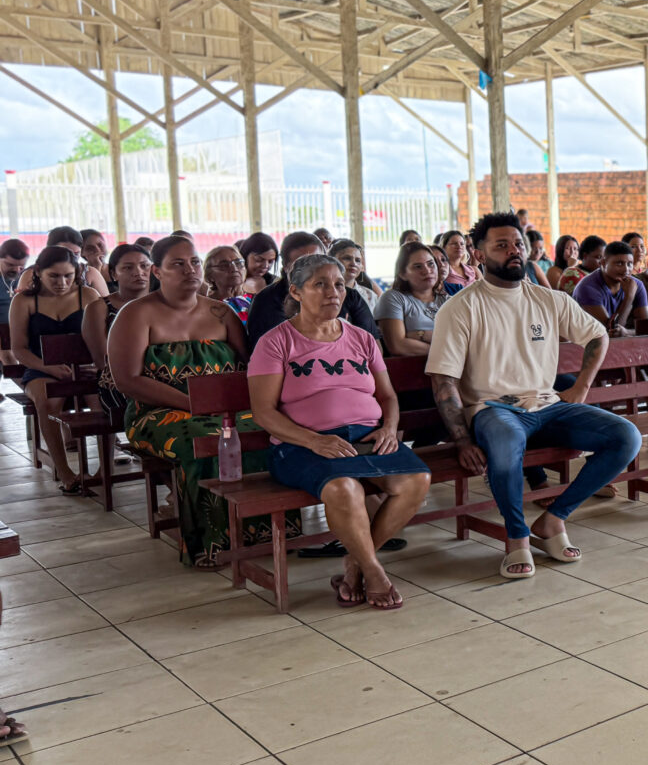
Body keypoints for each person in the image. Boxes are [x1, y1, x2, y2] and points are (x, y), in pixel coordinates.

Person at [426, 213, 641, 578]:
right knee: (507, 441)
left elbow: (597, 335)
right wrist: (462, 440)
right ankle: (516, 538)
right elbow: (444, 381)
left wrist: (581, 386)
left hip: (548, 405)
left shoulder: (548, 299)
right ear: (478, 255)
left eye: (518, 244)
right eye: (502, 245)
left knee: (626, 437)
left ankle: (553, 519)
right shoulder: (460, 308)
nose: (514, 251)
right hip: (493, 410)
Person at [248, 254, 430, 610]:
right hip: (300, 444)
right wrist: (315, 440)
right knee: (345, 488)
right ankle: (374, 572)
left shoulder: (362, 338)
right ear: (296, 292)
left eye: (338, 284)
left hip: (365, 437)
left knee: (416, 480)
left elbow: (388, 397)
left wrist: (389, 428)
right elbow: (263, 412)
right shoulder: (276, 342)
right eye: (320, 284)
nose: (333, 292)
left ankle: (356, 564)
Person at [111, 236, 298, 568]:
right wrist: (193, 403)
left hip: (225, 409)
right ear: (157, 271)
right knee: (205, 439)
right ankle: (211, 543)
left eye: (194, 262)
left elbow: (249, 367)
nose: (190, 270)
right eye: (178, 264)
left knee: (270, 429)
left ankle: (271, 532)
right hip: (157, 413)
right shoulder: (135, 314)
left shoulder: (221, 312)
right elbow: (128, 380)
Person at [9, 246, 96, 493]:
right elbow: (19, 349)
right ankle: (65, 471)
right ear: (38, 272)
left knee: (103, 400)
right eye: (54, 276)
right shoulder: (24, 301)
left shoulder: (88, 295)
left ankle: (105, 468)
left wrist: (95, 364)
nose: (62, 282)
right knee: (48, 401)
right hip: (40, 367)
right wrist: (50, 368)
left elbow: (102, 339)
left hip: (84, 367)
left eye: (68, 275)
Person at [246, 232, 380, 353]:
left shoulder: (349, 296)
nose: (313, 269)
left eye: (318, 261)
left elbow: (373, 348)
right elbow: (267, 353)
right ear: (286, 267)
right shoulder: (266, 301)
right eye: (301, 264)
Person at [84, 243, 153, 423]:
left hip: (161, 376)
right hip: (118, 380)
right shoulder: (99, 308)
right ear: (114, 274)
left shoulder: (163, 304)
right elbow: (102, 360)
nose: (138, 272)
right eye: (128, 268)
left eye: (144, 266)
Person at [376, 242, 448, 356]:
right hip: (411, 366)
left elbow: (461, 341)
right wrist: (446, 351)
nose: (427, 271)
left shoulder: (448, 300)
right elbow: (398, 346)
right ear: (402, 274)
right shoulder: (393, 298)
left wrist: (422, 334)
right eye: (418, 266)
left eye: (431, 264)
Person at [574, 241, 648, 337]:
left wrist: (627, 332)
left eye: (630, 264)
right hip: (587, 342)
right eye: (620, 263)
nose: (626, 269)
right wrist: (629, 298)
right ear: (603, 263)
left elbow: (647, 329)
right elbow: (610, 333)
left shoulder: (636, 285)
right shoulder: (587, 288)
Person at [18, 226, 110, 295]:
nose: (71, 258)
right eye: (65, 253)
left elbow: (105, 307)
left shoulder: (89, 273)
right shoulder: (32, 274)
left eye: (76, 253)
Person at [328, 239, 382, 313]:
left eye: (358, 260)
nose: (353, 264)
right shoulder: (324, 293)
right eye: (347, 258)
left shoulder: (370, 296)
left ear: (362, 267)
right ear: (332, 261)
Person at [203, 244, 252, 323]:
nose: (234, 268)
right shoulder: (205, 307)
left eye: (238, 263)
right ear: (210, 276)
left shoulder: (257, 300)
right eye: (224, 265)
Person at [0, 239, 29, 362]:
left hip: (22, 333)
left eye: (21, 266)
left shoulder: (26, 276)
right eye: (10, 265)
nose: (17, 270)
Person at [239, 232, 279, 297]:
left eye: (270, 261)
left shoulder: (276, 284)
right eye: (259, 260)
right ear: (244, 256)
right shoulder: (230, 284)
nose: (265, 266)